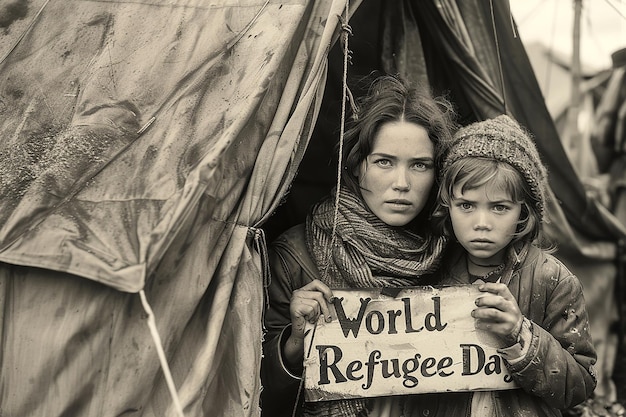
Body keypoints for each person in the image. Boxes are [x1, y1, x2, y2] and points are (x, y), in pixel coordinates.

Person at [260, 74, 457, 417]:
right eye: (384, 161)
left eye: (419, 165)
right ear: (355, 164)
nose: (402, 183)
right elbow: (257, 394)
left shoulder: (455, 252)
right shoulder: (295, 255)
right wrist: (294, 344)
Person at [420, 114, 597, 416]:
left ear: (523, 212)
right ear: (446, 206)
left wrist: (521, 333)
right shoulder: (429, 268)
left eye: (499, 207)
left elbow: (579, 385)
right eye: (466, 205)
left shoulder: (553, 280)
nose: (482, 223)